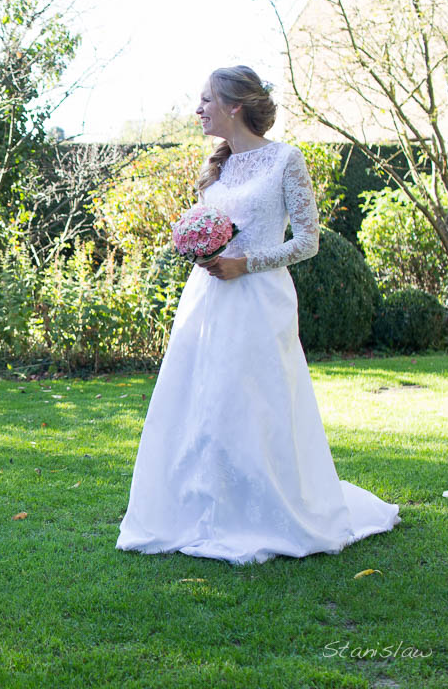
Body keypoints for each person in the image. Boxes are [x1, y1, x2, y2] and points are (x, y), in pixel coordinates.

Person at [116, 66, 399, 563]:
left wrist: (245, 263)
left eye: (206, 100)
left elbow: (308, 243)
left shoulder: (287, 160)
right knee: (202, 401)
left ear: (234, 106)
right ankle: (202, 508)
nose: (198, 109)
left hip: (259, 298)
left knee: (257, 402)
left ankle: (264, 509)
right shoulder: (215, 168)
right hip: (207, 299)